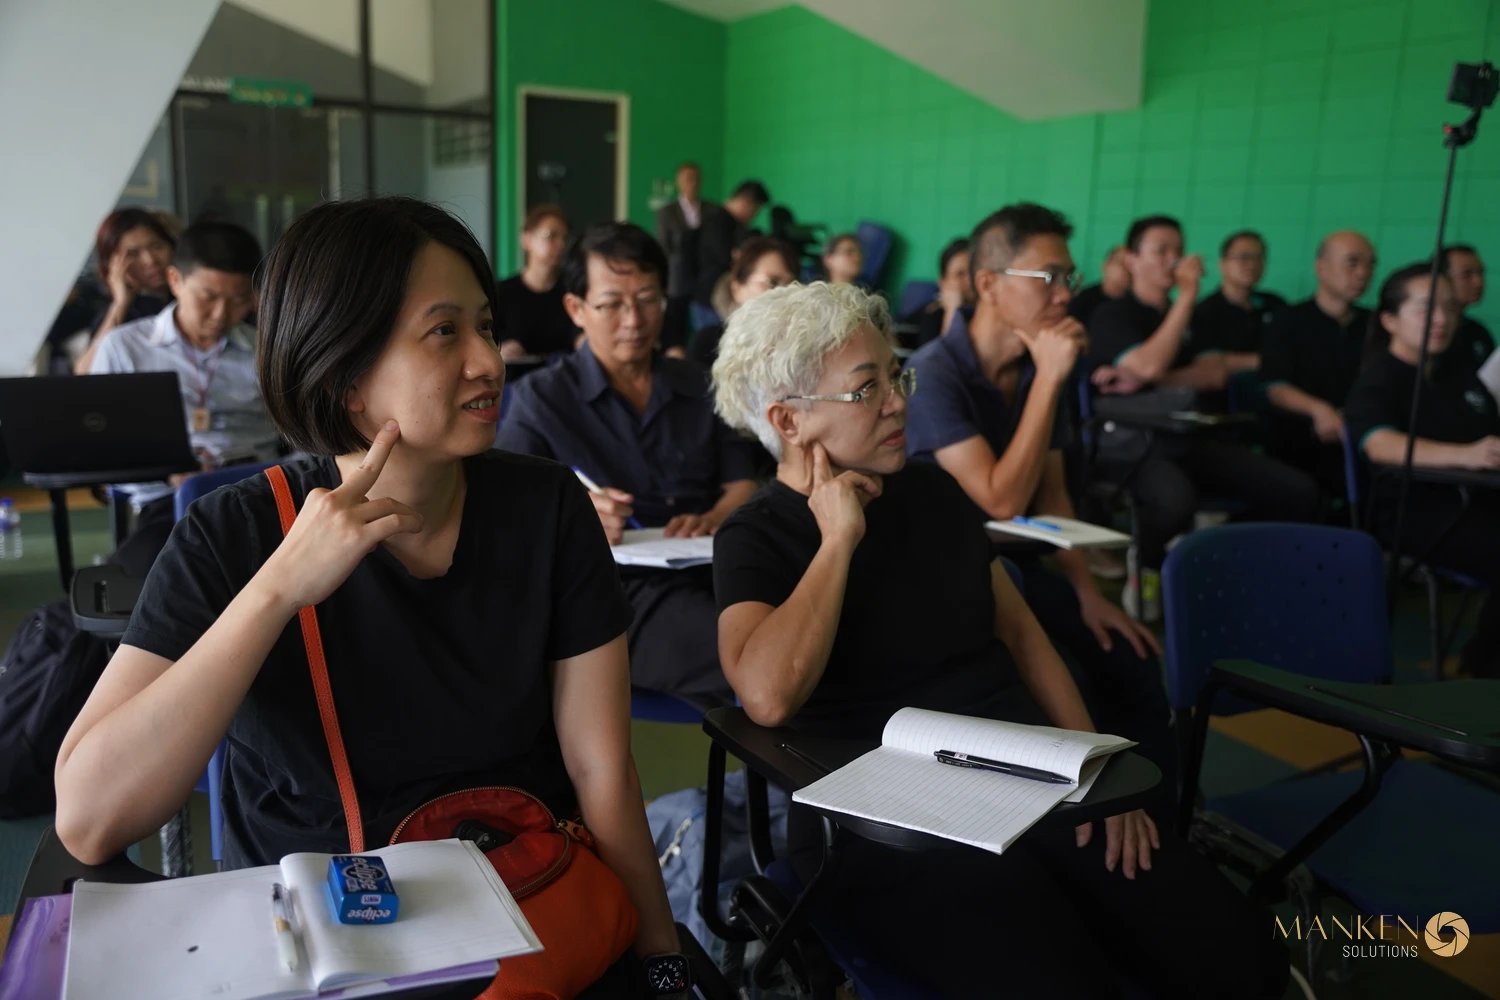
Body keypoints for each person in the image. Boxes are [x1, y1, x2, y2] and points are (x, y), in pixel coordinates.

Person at [54, 197, 686, 996]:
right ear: (347, 378)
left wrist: (662, 959)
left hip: (527, 909)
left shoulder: (548, 507)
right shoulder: (235, 534)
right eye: (444, 332)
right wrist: (278, 590)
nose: (489, 361)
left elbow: (602, 769)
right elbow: (90, 817)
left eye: (485, 326)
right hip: (334, 950)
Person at [708, 281, 1290, 998]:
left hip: (1026, 776)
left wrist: (1097, 780)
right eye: (866, 389)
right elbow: (767, 697)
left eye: (896, 377)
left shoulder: (933, 492)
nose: (897, 403)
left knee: (1238, 956)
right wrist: (838, 541)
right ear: (788, 421)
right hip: (891, 829)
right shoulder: (757, 535)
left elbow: (1024, 637)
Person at [903, 204, 1173, 788]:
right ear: (987, 285)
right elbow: (1000, 500)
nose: (1065, 294)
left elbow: (1051, 495)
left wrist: (1088, 593)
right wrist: (1050, 379)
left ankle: (1159, 812)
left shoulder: (1038, 364)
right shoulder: (934, 373)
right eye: (1048, 276)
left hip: (1019, 567)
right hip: (953, 582)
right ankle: (1095, 814)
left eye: (1069, 276)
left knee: (1133, 657)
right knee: (1075, 681)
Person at [497, 222, 758, 709]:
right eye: (612, 303)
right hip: (616, 592)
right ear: (576, 308)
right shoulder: (542, 400)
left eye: (647, 299)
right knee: (767, 658)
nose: (634, 320)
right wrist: (575, 516)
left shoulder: (701, 384)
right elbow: (505, 512)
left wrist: (715, 516)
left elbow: (741, 482)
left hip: (717, 565)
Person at [1087, 216, 1321, 622]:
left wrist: (1152, 380)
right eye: (1161, 251)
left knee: (1299, 492)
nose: (1174, 260)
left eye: (1178, 251)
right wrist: (1184, 303)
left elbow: (1211, 373)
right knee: (1175, 501)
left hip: (1192, 436)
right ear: (1131, 260)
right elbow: (1147, 364)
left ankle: (1210, 549)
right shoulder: (1113, 314)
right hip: (1135, 444)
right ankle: (1146, 562)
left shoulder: (1195, 317)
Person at [87, 220, 279, 576]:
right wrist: (166, 473)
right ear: (175, 280)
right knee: (156, 577)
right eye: (208, 297)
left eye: (238, 300)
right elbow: (103, 447)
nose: (220, 315)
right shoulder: (125, 348)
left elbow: (303, 437)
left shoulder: (267, 351)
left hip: (256, 489)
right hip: (167, 499)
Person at [1346, 262, 1500, 678]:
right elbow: (1378, 443)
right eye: (1426, 308)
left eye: (1449, 308)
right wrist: (1465, 455)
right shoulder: (1380, 379)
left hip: (1479, 503)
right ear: (1390, 320)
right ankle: (1480, 671)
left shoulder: (1460, 377)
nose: (1441, 319)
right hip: (1418, 515)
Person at [1260, 231, 1376, 497]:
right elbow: (1275, 387)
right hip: (1301, 438)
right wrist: (1318, 409)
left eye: (1370, 264)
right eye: (1353, 262)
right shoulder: (1287, 320)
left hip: (1361, 435)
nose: (1363, 273)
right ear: (1321, 267)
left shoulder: (1376, 325)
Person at [71, 208, 177, 374]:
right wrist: (121, 303)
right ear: (113, 265)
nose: (150, 260)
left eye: (157, 246)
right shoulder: (114, 311)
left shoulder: (190, 297)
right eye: (133, 254)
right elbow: (85, 373)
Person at [685, 236, 798, 366]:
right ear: (737, 288)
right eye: (772, 282)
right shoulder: (707, 345)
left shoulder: (801, 346)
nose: (784, 292)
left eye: (792, 284)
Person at [1190, 230, 1287, 369]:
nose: (1252, 264)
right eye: (1244, 257)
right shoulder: (1204, 311)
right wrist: (1269, 359)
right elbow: (1207, 362)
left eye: (1259, 257)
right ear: (1222, 264)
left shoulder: (1275, 304)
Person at [494, 204, 578, 360]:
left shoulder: (573, 291)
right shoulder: (500, 292)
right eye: (551, 235)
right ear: (527, 239)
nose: (561, 244)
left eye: (565, 238)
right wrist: (500, 349)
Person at [656, 162, 707, 352]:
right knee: (675, 323)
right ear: (678, 182)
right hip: (677, 277)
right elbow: (663, 246)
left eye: (694, 179)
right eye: (687, 179)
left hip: (702, 277)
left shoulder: (709, 210)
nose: (691, 183)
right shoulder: (667, 212)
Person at [695, 179, 770, 309]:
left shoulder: (727, 222)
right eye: (755, 210)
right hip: (712, 298)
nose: (754, 216)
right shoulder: (719, 222)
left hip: (715, 296)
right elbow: (728, 258)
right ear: (746, 202)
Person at [904, 237, 975, 346]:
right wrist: (953, 311)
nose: (970, 280)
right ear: (943, 283)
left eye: (973, 271)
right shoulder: (931, 316)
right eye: (960, 274)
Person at [1442, 244, 1494, 368]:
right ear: (1441, 278)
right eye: (1466, 274)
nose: (1479, 282)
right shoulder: (1427, 333)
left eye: (1481, 273)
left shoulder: (1478, 332)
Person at [1069, 245, 1130, 328]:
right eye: (1121, 263)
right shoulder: (1083, 301)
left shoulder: (1137, 303)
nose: (1126, 269)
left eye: (1130, 265)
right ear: (1105, 265)